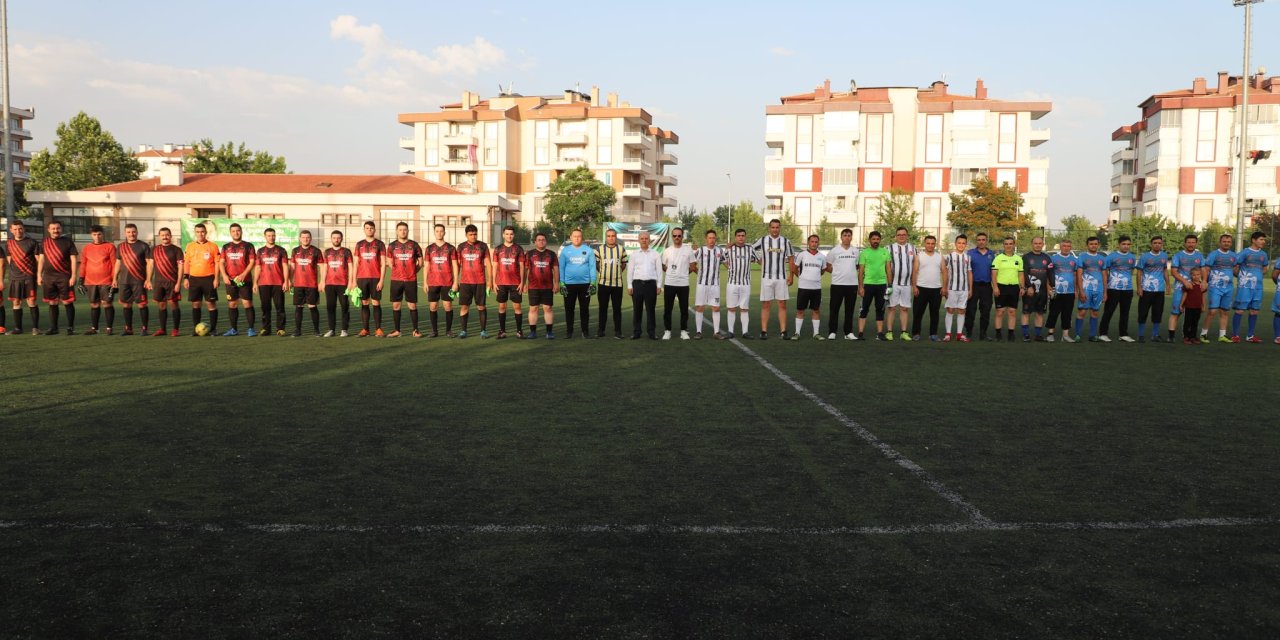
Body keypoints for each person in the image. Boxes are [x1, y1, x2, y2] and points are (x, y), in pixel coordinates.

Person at [751, 219, 795, 340]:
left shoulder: (786, 241)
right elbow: (750, 249)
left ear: (780, 228)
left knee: (782, 304)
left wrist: (791, 275)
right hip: (766, 278)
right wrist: (757, 260)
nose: (775, 229)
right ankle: (764, 331)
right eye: (773, 227)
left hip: (781, 277)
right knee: (766, 304)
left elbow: (791, 258)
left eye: (777, 227)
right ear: (769, 228)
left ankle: (783, 331)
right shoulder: (763, 240)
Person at [37, 220, 79, 335]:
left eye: (58, 228)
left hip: (64, 277)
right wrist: (39, 275)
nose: (56, 230)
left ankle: (70, 328)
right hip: (49, 277)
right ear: (49, 230)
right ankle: (53, 328)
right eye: (53, 228)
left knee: (67, 302)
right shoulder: (44, 242)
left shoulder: (67, 242)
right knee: (52, 303)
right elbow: (41, 259)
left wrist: (74, 275)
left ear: (61, 229)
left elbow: (73, 259)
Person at [386, 222, 423, 338]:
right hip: (396, 280)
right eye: (400, 229)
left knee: (412, 305)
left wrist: (412, 272)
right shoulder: (392, 246)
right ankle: (397, 330)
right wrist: (397, 272)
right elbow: (389, 262)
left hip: (410, 280)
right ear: (397, 231)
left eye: (405, 229)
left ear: (408, 231)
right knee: (396, 305)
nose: (403, 231)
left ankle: (415, 330)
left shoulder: (414, 245)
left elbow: (420, 263)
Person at [1098, 235, 1138, 343]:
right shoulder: (1111, 257)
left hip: (1128, 289)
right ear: (1118, 245)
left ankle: (1123, 334)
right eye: (1124, 244)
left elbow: (1131, 271)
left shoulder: (1132, 257)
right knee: (1109, 311)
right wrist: (1105, 289)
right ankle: (1103, 334)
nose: (1126, 246)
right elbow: (1105, 273)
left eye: (1128, 244)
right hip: (1113, 288)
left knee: (1125, 312)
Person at [558, 228, 596, 340]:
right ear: (570, 238)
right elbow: (562, 267)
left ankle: (585, 332)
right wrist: (562, 282)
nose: (577, 238)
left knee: (584, 310)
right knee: (569, 309)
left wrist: (593, 282)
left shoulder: (588, 250)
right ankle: (569, 332)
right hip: (569, 285)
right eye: (574, 236)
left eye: (579, 236)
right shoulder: (565, 250)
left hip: (585, 285)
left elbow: (592, 267)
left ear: (582, 238)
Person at [115, 223, 153, 336]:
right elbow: (117, 262)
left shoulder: (143, 246)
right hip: (124, 281)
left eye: (133, 232)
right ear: (125, 233)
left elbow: (149, 264)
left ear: (137, 232)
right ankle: (128, 329)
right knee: (126, 305)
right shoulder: (121, 246)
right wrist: (114, 278)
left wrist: (148, 279)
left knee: (142, 304)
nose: (131, 234)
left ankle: (145, 329)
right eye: (129, 232)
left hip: (139, 281)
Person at [218, 222, 256, 336]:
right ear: (230, 233)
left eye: (238, 230)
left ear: (241, 231)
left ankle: (251, 329)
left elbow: (252, 262)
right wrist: (224, 276)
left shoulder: (248, 246)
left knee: (247, 303)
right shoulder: (226, 247)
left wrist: (244, 274)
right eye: (233, 231)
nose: (236, 233)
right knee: (232, 304)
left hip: (245, 280)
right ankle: (233, 329)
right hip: (230, 280)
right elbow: (221, 262)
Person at [454, 223, 490, 339]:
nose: (473, 236)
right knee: (464, 306)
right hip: (465, 282)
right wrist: (455, 281)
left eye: (475, 234)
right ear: (466, 235)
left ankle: (483, 331)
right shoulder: (461, 247)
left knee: (481, 306)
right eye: (471, 234)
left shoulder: (483, 246)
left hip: (480, 281)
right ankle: (463, 331)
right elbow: (457, 265)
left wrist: (490, 281)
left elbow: (488, 264)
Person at [183, 222, 220, 336]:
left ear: (206, 233)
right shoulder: (189, 246)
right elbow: (186, 263)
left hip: (209, 278)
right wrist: (186, 277)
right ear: (195, 233)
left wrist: (216, 278)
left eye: (202, 232)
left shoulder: (213, 246)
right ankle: (196, 329)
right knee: (196, 304)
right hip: (194, 279)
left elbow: (217, 263)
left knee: (211, 304)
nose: (200, 234)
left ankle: (213, 329)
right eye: (198, 232)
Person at [1168, 234, 1206, 343]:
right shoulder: (1178, 255)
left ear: (1196, 243)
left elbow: (1203, 270)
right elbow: (1174, 271)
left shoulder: (1199, 256)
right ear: (1185, 243)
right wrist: (1184, 281)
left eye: (1193, 242)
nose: (1191, 244)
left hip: (1195, 289)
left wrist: (1204, 281)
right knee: (1176, 312)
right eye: (1189, 242)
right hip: (1181, 288)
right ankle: (1171, 336)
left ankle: (1191, 336)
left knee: (1194, 314)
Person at [1232, 231, 1268, 343]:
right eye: (1261, 239)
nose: (1263, 242)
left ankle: (1250, 336)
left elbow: (1265, 268)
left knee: (1254, 311)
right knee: (1240, 310)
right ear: (1253, 240)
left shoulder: (1264, 254)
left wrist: (1258, 276)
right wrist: (1242, 278)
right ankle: (1235, 335)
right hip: (1245, 287)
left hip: (1258, 287)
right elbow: (1235, 268)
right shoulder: (1245, 252)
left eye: (1264, 240)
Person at [791, 234, 829, 340]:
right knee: (800, 310)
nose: (814, 244)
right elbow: (794, 268)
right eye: (812, 241)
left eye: (816, 242)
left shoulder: (822, 257)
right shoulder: (802, 255)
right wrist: (801, 277)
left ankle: (816, 333)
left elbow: (822, 270)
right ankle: (797, 333)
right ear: (808, 243)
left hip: (816, 288)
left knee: (816, 310)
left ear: (818, 243)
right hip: (803, 287)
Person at [80, 225, 117, 335]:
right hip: (90, 281)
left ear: (103, 234)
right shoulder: (86, 248)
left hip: (106, 281)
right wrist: (81, 279)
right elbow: (83, 264)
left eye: (99, 234)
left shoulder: (110, 246)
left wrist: (115, 280)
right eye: (94, 234)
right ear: (91, 235)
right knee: (94, 305)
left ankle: (109, 328)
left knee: (107, 304)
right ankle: (94, 328)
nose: (97, 237)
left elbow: (115, 264)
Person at [660, 226, 695, 340]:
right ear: (672, 237)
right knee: (668, 309)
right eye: (674, 236)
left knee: (684, 308)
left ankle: (683, 331)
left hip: (683, 284)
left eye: (679, 236)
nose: (677, 238)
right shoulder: (667, 251)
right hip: (669, 283)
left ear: (682, 236)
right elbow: (664, 266)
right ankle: (667, 331)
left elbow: (693, 266)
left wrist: (683, 273)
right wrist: (672, 273)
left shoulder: (688, 250)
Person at [254, 228, 290, 336]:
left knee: (280, 307)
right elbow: (258, 267)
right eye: (269, 235)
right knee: (265, 307)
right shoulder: (260, 251)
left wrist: (286, 281)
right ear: (265, 236)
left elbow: (285, 266)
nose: (271, 237)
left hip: (278, 283)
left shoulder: (281, 250)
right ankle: (266, 328)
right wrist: (255, 282)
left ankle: (280, 328)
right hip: (263, 283)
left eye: (273, 235)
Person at [492, 225, 527, 339]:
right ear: (503, 235)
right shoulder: (497, 249)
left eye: (511, 234)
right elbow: (495, 266)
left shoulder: (518, 249)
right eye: (507, 234)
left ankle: (519, 331)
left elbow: (522, 267)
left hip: (515, 283)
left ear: (514, 235)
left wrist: (522, 282)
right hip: (501, 282)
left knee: (517, 307)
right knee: (502, 307)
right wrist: (493, 281)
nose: (509, 236)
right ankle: (502, 331)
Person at [5, 220, 39, 334]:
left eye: (20, 228)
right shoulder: (9, 243)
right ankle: (18, 328)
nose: (18, 231)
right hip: (15, 278)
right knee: (16, 303)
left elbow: (39, 260)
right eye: (15, 229)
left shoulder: (32, 242)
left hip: (29, 277)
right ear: (11, 230)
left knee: (31, 302)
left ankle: (35, 328)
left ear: (23, 229)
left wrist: (39, 275)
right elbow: (9, 259)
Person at [825, 228, 859, 340]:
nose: (847, 237)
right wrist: (836, 272)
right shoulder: (835, 251)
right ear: (841, 237)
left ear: (851, 237)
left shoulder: (856, 251)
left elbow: (857, 266)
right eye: (845, 235)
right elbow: (828, 266)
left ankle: (848, 333)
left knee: (849, 310)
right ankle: (832, 331)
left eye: (849, 235)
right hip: (837, 284)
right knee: (834, 309)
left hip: (852, 285)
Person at [354, 221, 387, 337]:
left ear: (374, 230)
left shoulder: (380, 244)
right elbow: (356, 264)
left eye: (371, 228)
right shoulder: (359, 244)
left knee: (376, 302)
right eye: (367, 228)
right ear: (364, 230)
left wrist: (382, 280)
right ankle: (365, 329)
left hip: (375, 277)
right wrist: (354, 280)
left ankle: (378, 329)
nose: (369, 230)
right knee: (365, 302)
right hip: (362, 278)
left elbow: (383, 263)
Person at [150, 227, 185, 337]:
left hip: (172, 282)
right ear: (159, 236)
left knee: (173, 304)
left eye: (167, 235)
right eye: (162, 235)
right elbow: (150, 265)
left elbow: (181, 267)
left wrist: (179, 282)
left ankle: (175, 329)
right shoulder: (154, 249)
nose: (165, 237)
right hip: (159, 283)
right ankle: (163, 329)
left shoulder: (176, 250)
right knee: (161, 305)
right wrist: (148, 279)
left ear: (170, 236)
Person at [1134, 236, 1170, 343]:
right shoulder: (1144, 257)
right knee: (1143, 312)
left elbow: (1164, 270)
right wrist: (1139, 287)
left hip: (1159, 289)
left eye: (1159, 243)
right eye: (1155, 243)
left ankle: (1155, 335)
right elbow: (1139, 272)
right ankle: (1141, 335)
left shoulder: (1164, 256)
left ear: (1162, 244)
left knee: (1158, 312)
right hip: (1146, 289)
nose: (1157, 245)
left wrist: (1168, 285)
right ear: (1151, 244)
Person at [424, 223, 457, 337]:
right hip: (433, 282)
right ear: (434, 232)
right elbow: (426, 266)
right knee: (433, 306)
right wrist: (425, 282)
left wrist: (455, 282)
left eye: (441, 231)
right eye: (437, 231)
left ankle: (448, 331)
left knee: (448, 305)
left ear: (444, 232)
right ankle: (434, 331)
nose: (439, 233)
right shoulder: (429, 248)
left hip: (447, 282)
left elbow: (455, 266)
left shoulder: (451, 248)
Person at [1203, 233, 1237, 343]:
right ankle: (1203, 334)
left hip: (1228, 288)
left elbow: (1235, 270)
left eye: (1228, 242)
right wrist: (1205, 282)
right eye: (1224, 241)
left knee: (1224, 311)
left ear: (1231, 243)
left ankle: (1222, 335)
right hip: (1215, 287)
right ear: (1220, 242)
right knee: (1212, 311)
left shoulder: (1233, 255)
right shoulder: (1214, 254)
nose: (1226, 243)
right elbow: (1206, 269)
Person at [693, 229, 726, 339]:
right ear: (706, 239)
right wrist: (699, 273)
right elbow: (692, 263)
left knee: (716, 308)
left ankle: (716, 332)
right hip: (702, 284)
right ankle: (698, 332)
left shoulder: (719, 251)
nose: (712, 240)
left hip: (715, 285)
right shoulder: (701, 250)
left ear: (715, 239)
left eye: (713, 238)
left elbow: (726, 263)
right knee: (700, 307)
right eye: (710, 238)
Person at [628, 230, 661, 340]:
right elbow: (630, 271)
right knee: (637, 309)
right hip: (637, 284)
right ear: (638, 240)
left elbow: (659, 271)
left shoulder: (655, 254)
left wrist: (659, 285)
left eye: (646, 238)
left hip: (651, 285)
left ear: (649, 240)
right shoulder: (634, 254)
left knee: (650, 309)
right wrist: (629, 285)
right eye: (642, 238)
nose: (644, 240)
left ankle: (651, 332)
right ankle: (637, 332)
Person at [595, 228, 627, 339]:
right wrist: (603, 273)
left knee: (617, 309)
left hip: (617, 284)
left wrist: (616, 273)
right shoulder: (599, 249)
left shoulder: (621, 249)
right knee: (602, 308)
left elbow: (623, 264)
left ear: (616, 237)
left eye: (613, 235)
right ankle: (601, 330)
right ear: (606, 237)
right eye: (608, 236)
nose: (611, 238)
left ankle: (618, 331)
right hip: (603, 284)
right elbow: (597, 264)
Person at [857, 230, 890, 340]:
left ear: (880, 240)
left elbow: (888, 269)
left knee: (880, 309)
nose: (876, 241)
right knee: (864, 309)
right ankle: (860, 333)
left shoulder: (885, 252)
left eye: (877, 239)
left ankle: (880, 333)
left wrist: (889, 285)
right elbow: (861, 271)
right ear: (869, 240)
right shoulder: (864, 253)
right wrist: (860, 286)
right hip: (868, 285)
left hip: (881, 285)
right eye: (873, 239)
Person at [290, 230, 323, 337]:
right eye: (303, 237)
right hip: (298, 284)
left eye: (307, 237)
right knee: (299, 307)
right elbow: (292, 267)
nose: (305, 239)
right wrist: (290, 280)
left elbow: (322, 267)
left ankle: (316, 330)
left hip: (312, 284)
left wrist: (322, 281)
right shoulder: (295, 251)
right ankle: (297, 330)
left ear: (311, 238)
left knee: (312, 306)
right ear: (300, 238)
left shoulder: (316, 251)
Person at [723, 228, 755, 339]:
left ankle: (745, 332)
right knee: (731, 308)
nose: (741, 237)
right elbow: (722, 259)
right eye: (739, 235)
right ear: (735, 237)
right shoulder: (729, 249)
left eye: (743, 235)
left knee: (744, 308)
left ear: (745, 237)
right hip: (732, 283)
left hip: (745, 283)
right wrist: (729, 267)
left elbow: (759, 260)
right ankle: (730, 331)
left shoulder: (750, 249)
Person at [321, 230, 354, 337]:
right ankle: (331, 329)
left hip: (343, 284)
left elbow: (351, 268)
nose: (336, 240)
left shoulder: (346, 252)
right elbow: (325, 268)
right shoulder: (327, 252)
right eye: (334, 238)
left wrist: (350, 282)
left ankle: (344, 329)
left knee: (344, 306)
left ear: (342, 239)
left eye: (338, 238)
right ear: (331, 239)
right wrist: (322, 281)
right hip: (329, 284)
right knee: (330, 307)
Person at [1045, 240, 1079, 343]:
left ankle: (1065, 335)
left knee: (1067, 314)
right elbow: (1048, 274)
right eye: (1064, 246)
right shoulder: (1053, 258)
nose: (1066, 248)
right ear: (1060, 247)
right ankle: (1050, 334)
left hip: (1069, 292)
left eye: (1068, 246)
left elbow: (1075, 275)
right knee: (1054, 312)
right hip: (1056, 291)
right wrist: (1048, 288)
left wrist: (1076, 290)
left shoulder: (1074, 260)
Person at [1074, 236, 1107, 342]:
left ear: (1098, 245)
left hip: (1099, 289)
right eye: (1091, 244)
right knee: (1082, 311)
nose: (1093, 246)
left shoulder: (1102, 258)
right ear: (1087, 245)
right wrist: (1080, 291)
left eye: (1095, 244)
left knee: (1095, 312)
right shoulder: (1082, 256)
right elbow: (1079, 274)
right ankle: (1077, 335)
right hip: (1086, 288)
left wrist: (1105, 292)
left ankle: (1092, 335)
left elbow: (1104, 275)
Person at [525, 232, 558, 339]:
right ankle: (533, 332)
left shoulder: (552, 254)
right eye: (539, 240)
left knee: (547, 308)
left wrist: (556, 283)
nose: (541, 241)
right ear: (535, 242)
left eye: (543, 239)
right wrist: (524, 283)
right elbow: (525, 270)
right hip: (533, 286)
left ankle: (549, 332)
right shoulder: (529, 254)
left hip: (547, 286)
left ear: (546, 241)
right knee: (533, 308)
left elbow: (556, 270)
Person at [991, 236, 1024, 342]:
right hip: (1001, 287)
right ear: (1003, 245)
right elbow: (994, 274)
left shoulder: (1018, 259)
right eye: (1006, 244)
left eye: (1010, 244)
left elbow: (1021, 275)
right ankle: (998, 333)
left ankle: (1011, 333)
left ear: (1014, 245)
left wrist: (1022, 287)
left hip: (1014, 288)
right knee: (1000, 311)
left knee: (1012, 311)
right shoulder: (998, 258)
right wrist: (995, 287)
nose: (1008, 246)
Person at [941, 234, 973, 342]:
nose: (961, 245)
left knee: (961, 310)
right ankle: (948, 334)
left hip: (964, 289)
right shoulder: (949, 256)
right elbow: (944, 272)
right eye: (959, 243)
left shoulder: (967, 257)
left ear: (966, 245)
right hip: (952, 288)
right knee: (950, 310)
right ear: (955, 244)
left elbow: (969, 272)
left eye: (963, 243)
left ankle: (959, 334)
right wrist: (944, 287)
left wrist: (970, 289)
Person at [911, 235, 943, 341]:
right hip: (921, 288)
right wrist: (914, 286)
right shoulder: (919, 256)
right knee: (918, 312)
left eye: (932, 243)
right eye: (928, 243)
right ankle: (916, 333)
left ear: (935, 244)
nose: (930, 245)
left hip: (936, 289)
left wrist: (945, 287)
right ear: (924, 244)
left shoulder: (939, 256)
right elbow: (914, 271)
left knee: (934, 313)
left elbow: (945, 272)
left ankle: (933, 334)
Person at [965, 232, 996, 340]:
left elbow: (994, 272)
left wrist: (995, 286)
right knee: (970, 310)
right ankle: (968, 332)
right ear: (976, 241)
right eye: (979, 240)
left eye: (983, 240)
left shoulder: (991, 254)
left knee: (986, 310)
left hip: (987, 286)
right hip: (973, 286)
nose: (981, 242)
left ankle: (983, 333)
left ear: (986, 241)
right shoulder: (970, 253)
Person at [886, 227, 916, 340]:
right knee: (892, 308)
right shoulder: (889, 248)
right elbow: (886, 266)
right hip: (893, 284)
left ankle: (904, 332)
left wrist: (914, 284)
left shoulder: (913, 248)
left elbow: (915, 267)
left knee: (904, 308)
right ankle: (889, 332)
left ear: (907, 235)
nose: (901, 236)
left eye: (904, 234)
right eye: (899, 235)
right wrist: (888, 283)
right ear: (896, 236)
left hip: (907, 284)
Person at [1020, 236, 1051, 342]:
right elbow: (1023, 273)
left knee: (1040, 313)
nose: (1038, 245)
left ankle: (1038, 335)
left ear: (1043, 244)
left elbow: (1049, 274)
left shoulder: (1047, 258)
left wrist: (1050, 288)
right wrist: (1027, 287)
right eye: (1035, 243)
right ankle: (1025, 335)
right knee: (1026, 312)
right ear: (1032, 244)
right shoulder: (1026, 257)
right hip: (1030, 290)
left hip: (1042, 291)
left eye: (1040, 243)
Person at [1181, 270, 1207, 345]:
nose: (1196, 276)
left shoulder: (1202, 286)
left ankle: (1193, 336)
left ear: (1201, 275)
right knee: (1187, 322)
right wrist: (1181, 304)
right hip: (1189, 307)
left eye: (1198, 274)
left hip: (1198, 307)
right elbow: (1185, 295)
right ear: (1191, 276)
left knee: (1195, 322)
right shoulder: (1189, 285)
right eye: (1194, 275)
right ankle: (1186, 337)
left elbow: (1203, 297)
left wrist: (1203, 306)